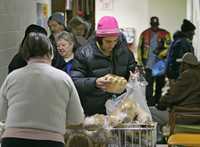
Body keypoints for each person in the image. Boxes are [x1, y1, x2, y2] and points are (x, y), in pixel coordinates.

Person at [0, 32, 85, 147]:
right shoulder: (63, 78)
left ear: (24, 54)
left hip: (12, 140)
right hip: (50, 141)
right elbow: (77, 118)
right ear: (51, 53)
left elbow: (2, 114)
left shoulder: (12, 77)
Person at [71, 16, 136, 116]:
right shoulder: (84, 53)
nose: (112, 45)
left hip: (119, 108)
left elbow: (132, 69)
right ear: (99, 39)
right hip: (93, 109)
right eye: (108, 41)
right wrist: (95, 82)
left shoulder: (125, 52)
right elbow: (75, 81)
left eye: (115, 40)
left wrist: (135, 75)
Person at [137, 16, 171, 106]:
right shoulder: (144, 34)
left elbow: (169, 48)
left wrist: (161, 54)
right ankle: (149, 103)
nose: (154, 27)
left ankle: (158, 102)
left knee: (160, 85)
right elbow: (139, 48)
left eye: (156, 25)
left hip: (160, 65)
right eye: (153, 25)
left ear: (158, 24)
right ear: (151, 24)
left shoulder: (165, 34)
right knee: (148, 86)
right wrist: (140, 62)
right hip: (148, 65)